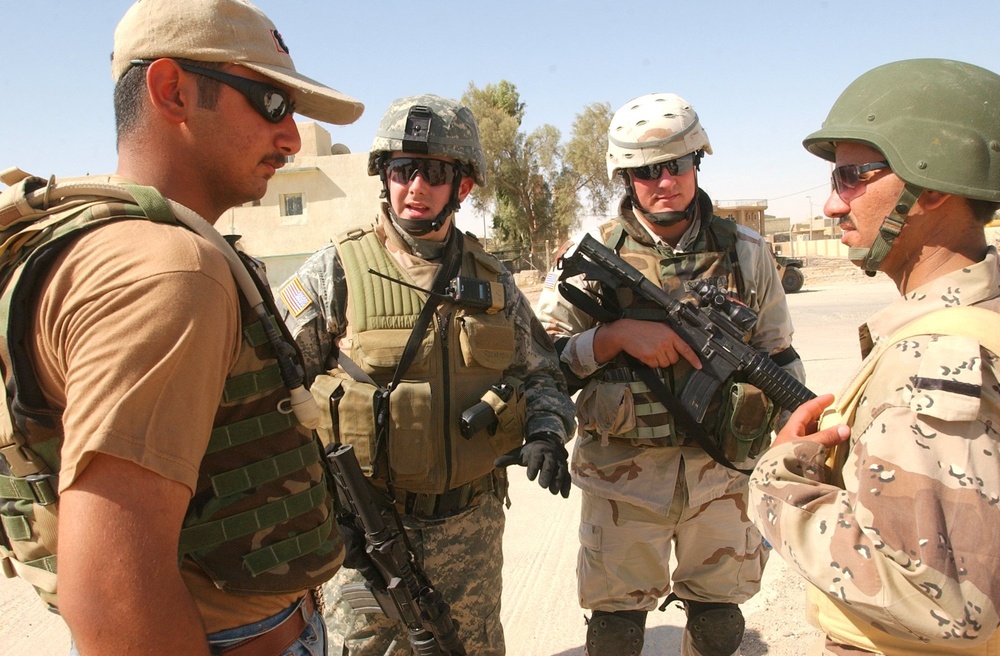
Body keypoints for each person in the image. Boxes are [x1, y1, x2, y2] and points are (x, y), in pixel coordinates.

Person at [0, 1, 364, 654]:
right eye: (272, 104)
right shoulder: (170, 270)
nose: (290, 137)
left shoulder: (110, 245)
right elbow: (112, 596)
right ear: (173, 91)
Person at [277, 94, 576, 655]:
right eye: (401, 170)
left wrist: (546, 432)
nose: (415, 186)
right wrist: (312, 510)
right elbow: (275, 393)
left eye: (434, 172)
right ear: (383, 178)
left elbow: (542, 376)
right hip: (366, 532)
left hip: (472, 529)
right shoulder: (334, 272)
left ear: (461, 185)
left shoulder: (494, 282)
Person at [535, 92, 804, 656]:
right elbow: (543, 363)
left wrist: (791, 439)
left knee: (718, 626)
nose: (664, 181)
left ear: (697, 162)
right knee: (614, 634)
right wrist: (613, 338)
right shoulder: (595, 257)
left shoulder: (747, 253)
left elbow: (779, 357)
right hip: (622, 482)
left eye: (676, 164)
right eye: (646, 170)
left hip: (721, 477)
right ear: (625, 177)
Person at [748, 58, 1000, 656]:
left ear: (931, 182)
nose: (834, 205)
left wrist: (776, 480)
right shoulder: (975, 319)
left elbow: (947, 602)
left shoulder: (938, 358)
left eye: (851, 177)